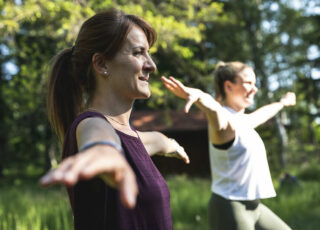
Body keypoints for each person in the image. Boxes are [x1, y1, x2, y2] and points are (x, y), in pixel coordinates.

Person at [40, 8, 189, 230]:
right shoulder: (92, 124)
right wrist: (103, 150)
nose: (152, 65)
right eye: (138, 53)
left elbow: (155, 140)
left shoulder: (131, 137)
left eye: (148, 53)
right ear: (101, 64)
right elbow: (100, 139)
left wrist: (173, 145)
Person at [161, 61, 295, 230]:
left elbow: (263, 113)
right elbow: (214, 110)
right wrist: (200, 96)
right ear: (229, 86)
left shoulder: (244, 121)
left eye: (255, 83)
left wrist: (282, 103)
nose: (255, 89)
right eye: (248, 83)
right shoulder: (223, 124)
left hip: (254, 207)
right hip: (230, 207)